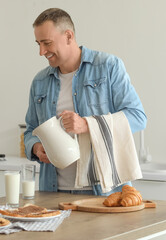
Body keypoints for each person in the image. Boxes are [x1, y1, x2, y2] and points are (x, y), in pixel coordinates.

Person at [24, 8, 147, 196]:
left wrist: (87, 125)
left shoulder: (108, 67)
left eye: (47, 43)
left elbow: (138, 117)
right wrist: (36, 147)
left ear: (68, 36)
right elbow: (31, 129)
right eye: (38, 44)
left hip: (104, 192)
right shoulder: (40, 81)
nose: (42, 51)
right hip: (53, 192)